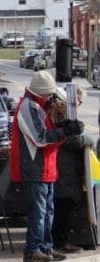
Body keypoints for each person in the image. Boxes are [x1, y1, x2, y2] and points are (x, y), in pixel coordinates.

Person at [12, 71, 78, 262]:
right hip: (35, 168)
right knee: (38, 212)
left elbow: (48, 133)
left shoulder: (38, 107)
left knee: (47, 211)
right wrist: (64, 131)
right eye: (49, 94)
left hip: (45, 168)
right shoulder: (28, 107)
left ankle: (45, 247)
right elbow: (40, 138)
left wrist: (63, 126)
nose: (52, 97)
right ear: (41, 93)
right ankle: (33, 249)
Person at [51, 88, 94, 253]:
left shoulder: (60, 111)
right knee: (63, 206)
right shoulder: (64, 113)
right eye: (79, 101)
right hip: (64, 167)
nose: (80, 104)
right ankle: (60, 241)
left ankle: (57, 240)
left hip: (61, 166)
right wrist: (89, 140)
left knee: (59, 206)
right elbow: (73, 140)